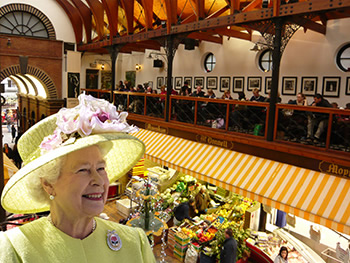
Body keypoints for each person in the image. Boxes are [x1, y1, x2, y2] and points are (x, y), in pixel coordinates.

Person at [0, 94, 156, 262]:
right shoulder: (17, 248)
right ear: (48, 184)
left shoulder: (135, 243)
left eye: (101, 168)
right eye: (83, 170)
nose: (99, 181)